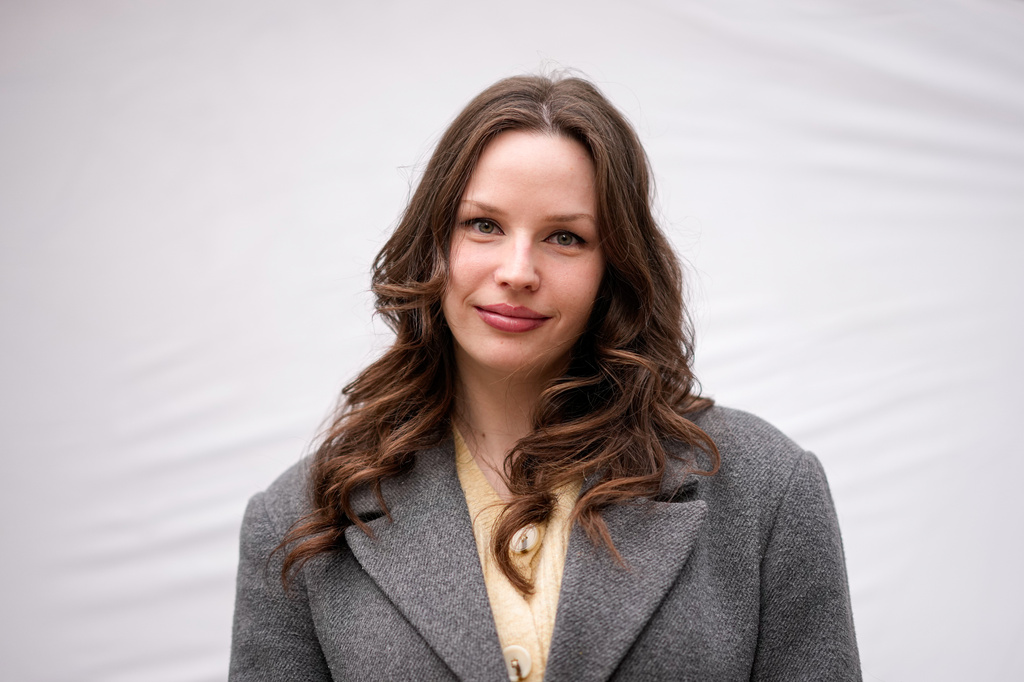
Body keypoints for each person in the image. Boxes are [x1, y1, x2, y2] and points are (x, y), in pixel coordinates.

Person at [229, 74, 861, 682]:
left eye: (565, 236)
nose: (518, 270)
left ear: (613, 269)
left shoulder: (766, 491)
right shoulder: (297, 520)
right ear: (434, 244)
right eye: (483, 225)